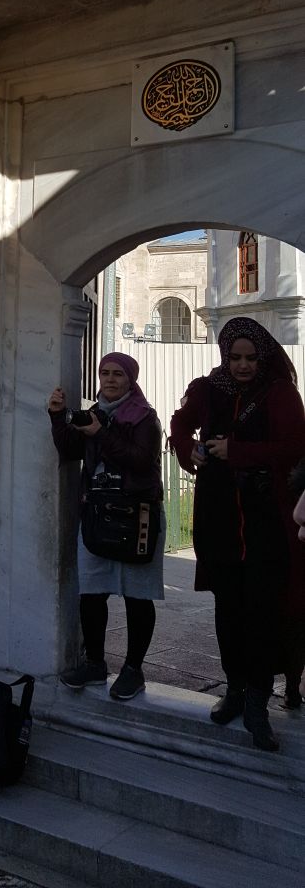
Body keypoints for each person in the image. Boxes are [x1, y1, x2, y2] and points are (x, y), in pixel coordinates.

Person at [170, 318, 305, 751]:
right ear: (225, 356)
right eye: (235, 357)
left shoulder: (281, 393)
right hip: (219, 517)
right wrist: (186, 448)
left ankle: (258, 704)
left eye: (250, 358)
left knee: (263, 614)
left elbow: (295, 446)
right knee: (228, 610)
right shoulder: (208, 388)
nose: (243, 365)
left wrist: (239, 452)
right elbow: (179, 423)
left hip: (265, 518)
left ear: (261, 356)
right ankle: (234, 691)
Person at [49, 353, 164, 702]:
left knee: (136, 594)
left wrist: (104, 433)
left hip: (136, 515)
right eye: (104, 373)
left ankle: (133, 669)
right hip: (99, 513)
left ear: (131, 379)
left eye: (117, 374)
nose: (110, 380)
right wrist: (57, 417)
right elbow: (70, 450)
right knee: (92, 590)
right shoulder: (95, 414)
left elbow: (142, 461)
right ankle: (96, 662)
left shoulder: (144, 417)